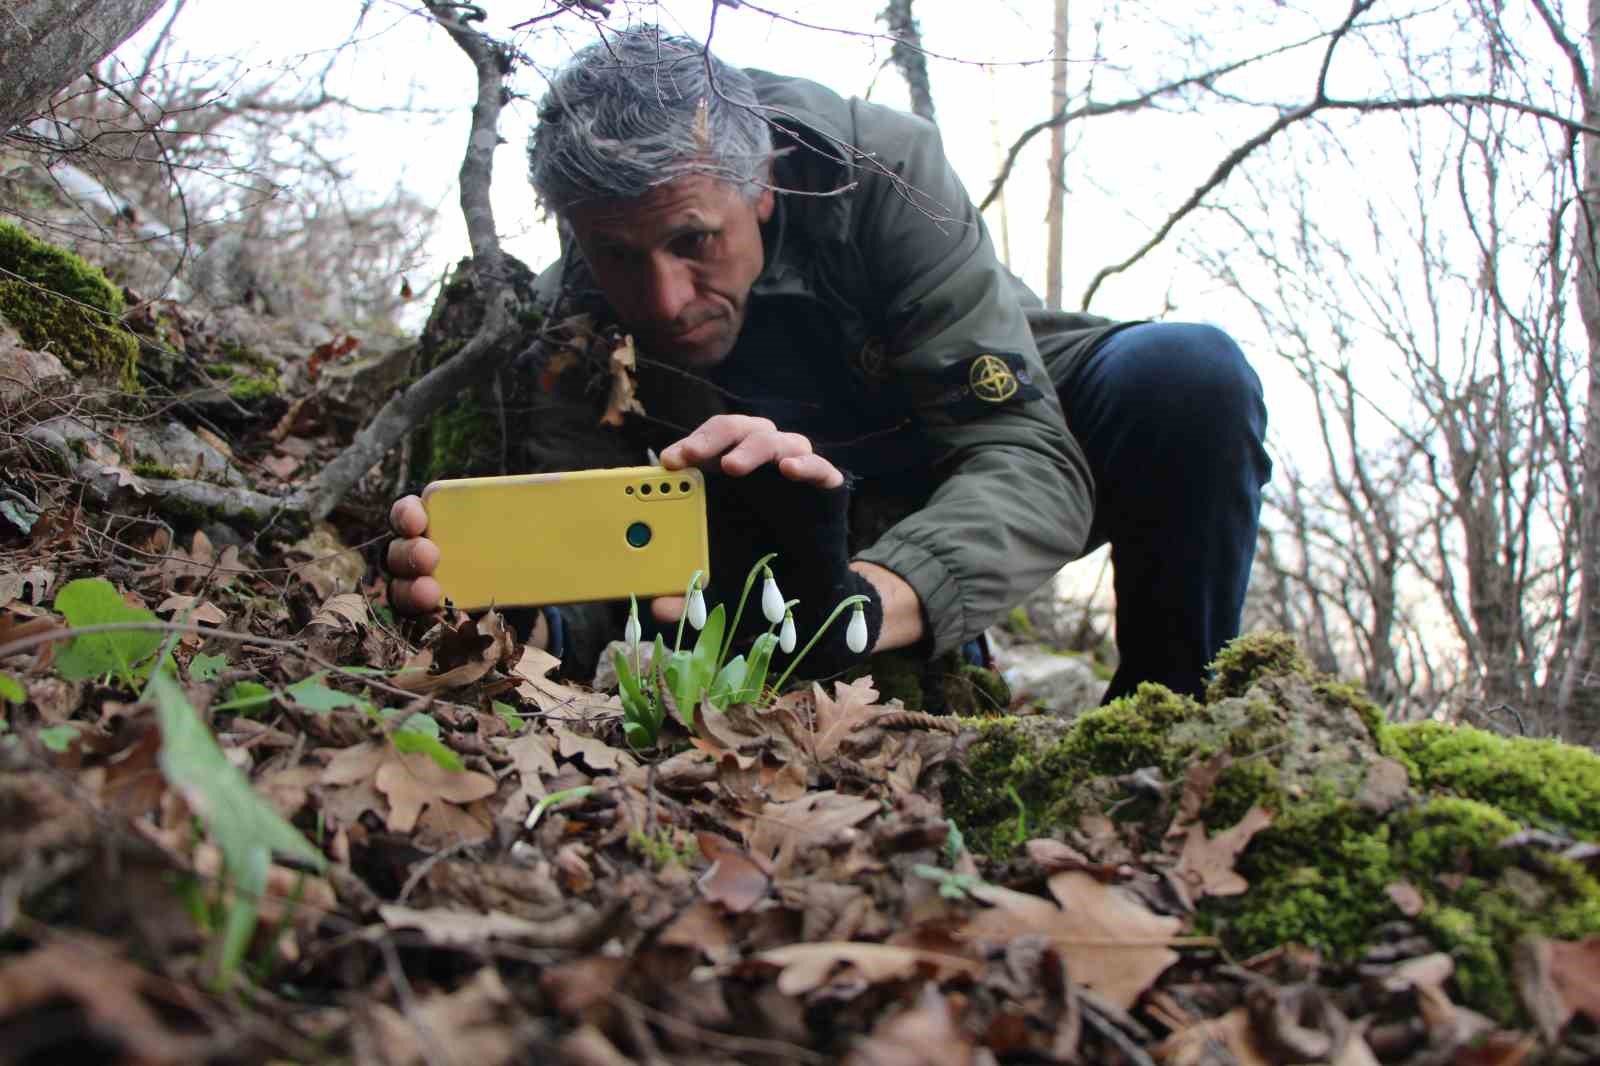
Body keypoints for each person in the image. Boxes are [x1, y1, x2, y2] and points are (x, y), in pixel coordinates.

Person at [387, 28, 1271, 703]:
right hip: (797, 528)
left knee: (1189, 380)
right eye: (618, 256)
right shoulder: (575, 308)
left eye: (694, 241)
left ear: (764, 183)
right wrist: (511, 625)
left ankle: (1168, 718)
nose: (663, 300)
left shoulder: (879, 172)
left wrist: (863, 609)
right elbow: (599, 550)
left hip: (957, 428)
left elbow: (1019, 449)